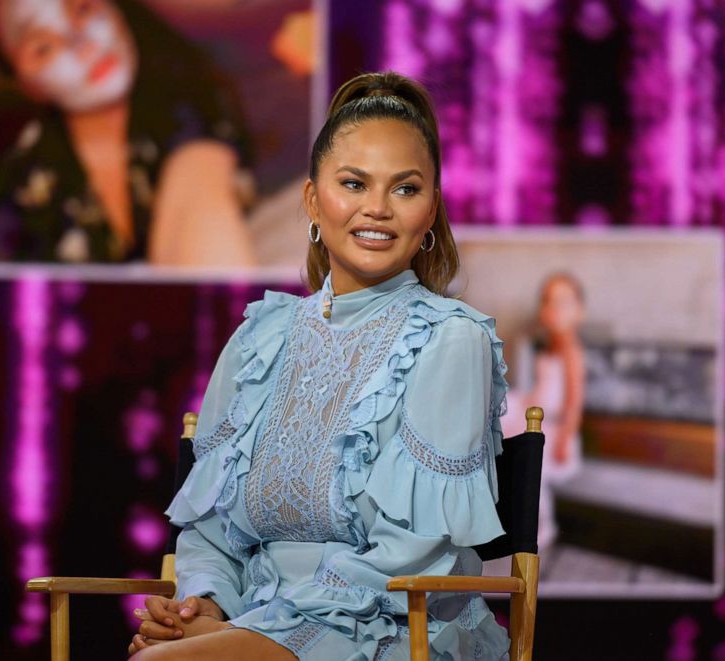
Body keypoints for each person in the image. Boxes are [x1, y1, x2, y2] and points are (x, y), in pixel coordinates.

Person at [128, 72, 511, 660]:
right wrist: (202, 605)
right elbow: (208, 529)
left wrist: (247, 632)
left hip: (390, 628)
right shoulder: (260, 337)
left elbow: (414, 553)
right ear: (312, 199)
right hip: (252, 620)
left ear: (432, 208)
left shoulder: (452, 339)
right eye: (353, 183)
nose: (377, 209)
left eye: (405, 189)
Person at [0, 0, 256, 266]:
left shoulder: (196, 99)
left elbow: (200, 192)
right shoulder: (18, 190)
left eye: (83, 9)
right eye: (43, 47)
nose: (82, 44)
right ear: (26, 85)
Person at [501, 273, 586, 548]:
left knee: (529, 468)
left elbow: (574, 401)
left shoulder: (572, 352)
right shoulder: (550, 345)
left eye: (563, 302)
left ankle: (539, 527)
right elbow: (543, 387)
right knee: (501, 411)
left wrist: (564, 438)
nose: (555, 309)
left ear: (579, 311)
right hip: (535, 411)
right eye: (549, 302)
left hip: (555, 428)